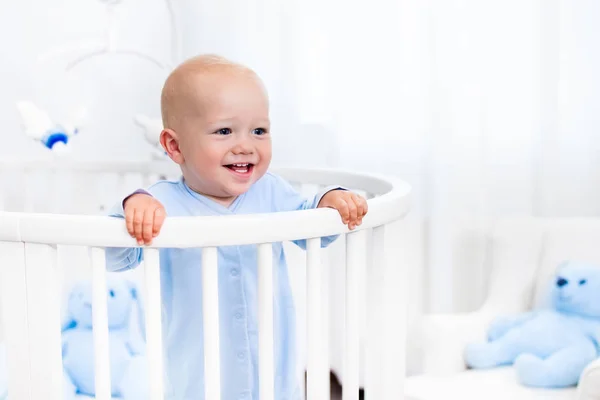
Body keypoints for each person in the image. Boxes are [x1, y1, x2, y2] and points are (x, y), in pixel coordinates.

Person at [105, 54, 368, 400]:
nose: (245, 145)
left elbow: (311, 226)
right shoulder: (162, 205)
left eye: (259, 130)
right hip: (197, 380)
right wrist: (132, 209)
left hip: (273, 376)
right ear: (174, 145)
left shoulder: (270, 191)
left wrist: (329, 201)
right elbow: (113, 255)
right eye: (224, 131)